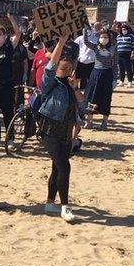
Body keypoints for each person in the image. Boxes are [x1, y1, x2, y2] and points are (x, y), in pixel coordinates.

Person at [36, 36, 79, 223]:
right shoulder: (49, 82)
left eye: (69, 68)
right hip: (50, 129)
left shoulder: (68, 85)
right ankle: (65, 207)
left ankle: (50, 203)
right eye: (63, 67)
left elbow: (78, 105)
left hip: (66, 130)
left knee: (57, 167)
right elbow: (51, 65)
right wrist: (61, 42)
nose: (66, 70)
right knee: (65, 167)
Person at [84, 28, 116, 130]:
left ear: (109, 38)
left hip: (107, 74)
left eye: (106, 37)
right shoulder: (96, 47)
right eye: (102, 37)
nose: (103, 39)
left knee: (106, 97)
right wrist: (85, 32)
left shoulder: (113, 48)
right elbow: (86, 42)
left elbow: (115, 64)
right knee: (91, 96)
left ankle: (104, 122)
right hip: (95, 73)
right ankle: (89, 121)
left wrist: (115, 78)